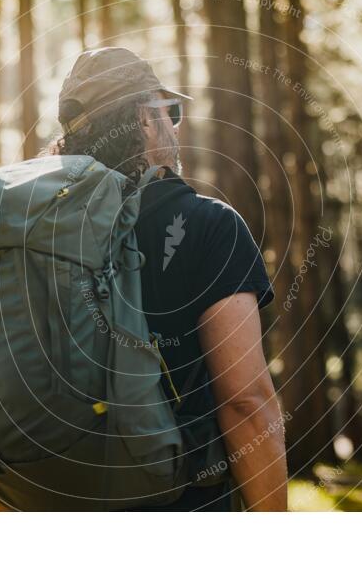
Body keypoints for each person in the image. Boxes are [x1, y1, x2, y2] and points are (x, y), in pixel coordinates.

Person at [45, 47, 288, 512]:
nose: (175, 125)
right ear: (142, 120)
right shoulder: (208, 225)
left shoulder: (39, 235)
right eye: (167, 112)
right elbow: (246, 403)